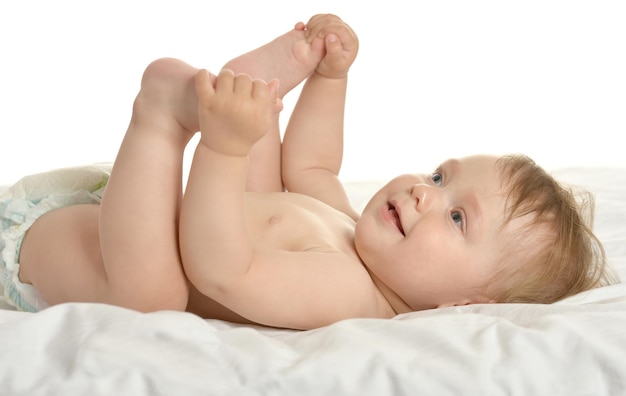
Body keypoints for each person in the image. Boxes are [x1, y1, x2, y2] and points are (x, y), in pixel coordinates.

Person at [1, 14, 615, 330]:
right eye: (438, 175)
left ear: (466, 304)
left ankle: (161, 118)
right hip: (110, 225)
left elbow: (223, 268)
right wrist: (327, 76)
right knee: (260, 165)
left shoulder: (354, 297)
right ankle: (261, 82)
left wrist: (221, 150)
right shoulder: (349, 228)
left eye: (457, 216)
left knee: (153, 303)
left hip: (76, 257)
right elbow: (314, 163)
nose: (425, 193)